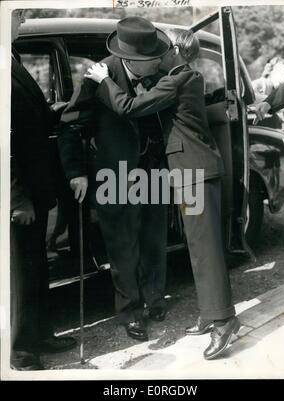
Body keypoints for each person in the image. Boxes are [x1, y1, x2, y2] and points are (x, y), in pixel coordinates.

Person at [84, 29, 239, 360]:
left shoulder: (178, 79)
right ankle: (211, 314)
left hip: (193, 172)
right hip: (192, 171)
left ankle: (224, 321)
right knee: (199, 251)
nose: (154, 57)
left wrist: (103, 81)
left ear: (175, 53)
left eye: (161, 51)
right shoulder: (184, 76)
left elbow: (129, 106)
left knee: (206, 252)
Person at [59, 17, 171, 342]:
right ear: (133, 59)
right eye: (154, 58)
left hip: (153, 170)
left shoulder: (158, 75)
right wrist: (76, 172)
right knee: (123, 246)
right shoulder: (98, 77)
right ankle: (132, 312)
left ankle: (155, 297)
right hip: (114, 173)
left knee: (154, 237)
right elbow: (70, 124)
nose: (160, 61)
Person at [10, 9, 76, 371]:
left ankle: (40, 335)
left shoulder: (13, 59)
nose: (20, 19)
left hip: (35, 188)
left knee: (36, 267)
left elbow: (29, 118)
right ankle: (19, 349)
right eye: (17, 14)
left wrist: (56, 110)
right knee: (19, 273)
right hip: (19, 195)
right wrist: (16, 197)